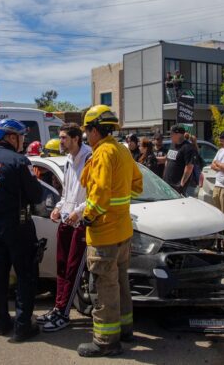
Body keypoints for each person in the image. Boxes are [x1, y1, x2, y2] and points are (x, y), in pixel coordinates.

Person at [77, 105, 143, 358]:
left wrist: (88, 216)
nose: (86, 136)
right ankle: (125, 330)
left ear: (95, 130)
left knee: (104, 287)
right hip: (123, 231)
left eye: (87, 131)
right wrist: (120, 199)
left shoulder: (103, 153)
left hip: (103, 234)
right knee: (121, 283)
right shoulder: (122, 151)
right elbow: (137, 185)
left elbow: (101, 192)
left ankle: (106, 341)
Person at [0, 119, 44, 342]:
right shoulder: (19, 161)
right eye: (21, 136)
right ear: (10, 137)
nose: (23, 141)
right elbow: (36, 195)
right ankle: (23, 326)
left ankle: (0, 322)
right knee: (25, 275)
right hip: (19, 226)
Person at [39, 123, 92, 332]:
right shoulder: (69, 159)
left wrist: (77, 212)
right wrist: (59, 207)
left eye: (63, 138)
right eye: (60, 137)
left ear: (76, 138)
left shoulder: (89, 158)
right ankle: (58, 306)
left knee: (72, 269)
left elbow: (92, 196)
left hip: (79, 223)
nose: (60, 141)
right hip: (65, 221)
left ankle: (64, 313)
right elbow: (67, 192)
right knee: (61, 267)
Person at [163, 125, 197, 197]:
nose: (170, 136)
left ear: (178, 134)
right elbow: (168, 160)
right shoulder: (172, 145)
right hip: (167, 183)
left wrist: (181, 183)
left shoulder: (187, 147)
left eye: (171, 134)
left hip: (178, 186)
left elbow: (189, 167)